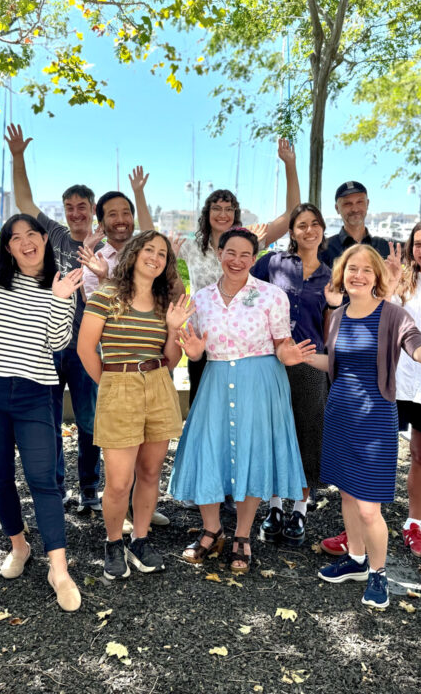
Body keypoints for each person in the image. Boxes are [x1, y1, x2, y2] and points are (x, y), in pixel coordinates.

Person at [308, 245, 421, 610]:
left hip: (374, 419)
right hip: (340, 414)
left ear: (378, 277)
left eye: (366, 270)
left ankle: (379, 573)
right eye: (351, 269)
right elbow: (334, 363)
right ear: (342, 274)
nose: (357, 275)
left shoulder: (393, 315)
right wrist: (298, 357)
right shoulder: (339, 315)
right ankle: (357, 560)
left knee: (368, 508)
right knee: (346, 495)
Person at [168, 228, 315, 575]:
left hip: (260, 380)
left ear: (255, 257)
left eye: (245, 254)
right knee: (209, 451)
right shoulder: (200, 298)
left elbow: (281, 342)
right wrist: (195, 353)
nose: (237, 260)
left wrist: (288, 353)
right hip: (216, 378)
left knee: (253, 453)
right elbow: (197, 346)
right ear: (219, 253)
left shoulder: (272, 295)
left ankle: (243, 536)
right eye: (230, 252)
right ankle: (211, 529)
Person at [0, 214, 84, 611]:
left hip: (35, 391)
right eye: (16, 238)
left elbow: (57, 340)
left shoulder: (60, 284)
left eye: (32, 234)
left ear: (45, 239)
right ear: (8, 247)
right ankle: (18, 544)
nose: (26, 242)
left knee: (43, 478)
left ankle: (59, 569)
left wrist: (61, 299)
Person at [138, 139, 301, 408]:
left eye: (229, 209)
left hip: (241, 340)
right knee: (204, 406)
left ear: (236, 214)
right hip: (202, 338)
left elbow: (290, 215)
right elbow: (149, 237)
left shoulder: (249, 241)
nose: (223, 214)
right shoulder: (191, 246)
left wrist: (289, 166)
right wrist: (139, 194)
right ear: (207, 213)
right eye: (217, 208)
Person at [77, 231, 192, 581]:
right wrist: (112, 384)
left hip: (158, 384)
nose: (155, 257)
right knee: (118, 481)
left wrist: (174, 329)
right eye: (149, 250)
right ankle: (113, 541)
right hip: (119, 385)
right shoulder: (107, 294)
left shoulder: (163, 302)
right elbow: (86, 350)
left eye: (162, 253)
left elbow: (172, 359)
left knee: (150, 473)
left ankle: (140, 539)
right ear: (134, 254)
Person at [6, 123, 103, 513]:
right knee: (47, 420)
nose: (76, 213)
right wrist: (18, 157)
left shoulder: (107, 246)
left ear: (92, 211)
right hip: (49, 342)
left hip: (88, 345)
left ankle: (90, 488)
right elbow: (25, 200)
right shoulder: (56, 236)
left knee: (90, 420)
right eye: (70, 208)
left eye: (83, 207)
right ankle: (56, 487)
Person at [250, 203, 332, 547]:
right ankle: (273, 507)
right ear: (292, 232)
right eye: (301, 225)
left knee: (307, 435)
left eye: (315, 224)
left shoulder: (332, 275)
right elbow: (245, 294)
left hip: (311, 365)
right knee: (271, 434)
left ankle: (299, 508)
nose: (308, 230)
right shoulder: (272, 263)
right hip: (271, 361)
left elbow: (333, 324)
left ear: (323, 230)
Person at [320, 181, 392, 267]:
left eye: (359, 202)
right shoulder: (325, 249)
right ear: (337, 208)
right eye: (347, 204)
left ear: (367, 204)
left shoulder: (384, 246)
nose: (355, 209)